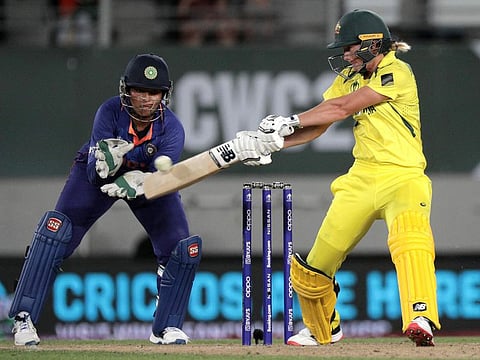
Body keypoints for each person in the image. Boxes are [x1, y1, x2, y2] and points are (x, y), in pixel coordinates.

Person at [8, 53, 264, 346]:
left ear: (164, 95)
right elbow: (94, 175)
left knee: (182, 248)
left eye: (153, 92)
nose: (145, 98)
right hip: (100, 180)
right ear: (126, 90)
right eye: (139, 90)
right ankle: (23, 319)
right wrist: (106, 164)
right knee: (57, 232)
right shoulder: (109, 112)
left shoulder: (172, 130)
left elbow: (162, 179)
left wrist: (141, 181)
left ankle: (166, 327)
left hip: (146, 182)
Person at [246, 9, 441, 347]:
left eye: (350, 48)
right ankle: (326, 329)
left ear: (370, 44)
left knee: (411, 241)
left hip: (404, 177)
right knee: (313, 268)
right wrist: (277, 142)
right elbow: (321, 124)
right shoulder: (349, 76)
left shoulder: (397, 71)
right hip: (361, 179)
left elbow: (343, 108)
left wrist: (289, 119)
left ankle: (419, 315)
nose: (346, 55)